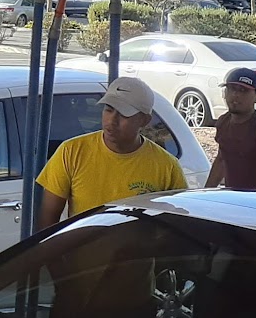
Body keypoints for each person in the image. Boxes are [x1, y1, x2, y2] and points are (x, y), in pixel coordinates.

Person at [34, 76, 187, 229]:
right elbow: (47, 221)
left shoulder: (167, 166)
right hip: (83, 245)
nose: (111, 121)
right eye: (108, 109)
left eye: (123, 114)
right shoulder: (71, 151)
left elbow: (178, 224)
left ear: (144, 120)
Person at [205, 67, 256, 191]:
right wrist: (206, 192)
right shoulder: (223, 122)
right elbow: (221, 159)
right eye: (231, 89)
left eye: (243, 90)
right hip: (232, 198)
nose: (235, 95)